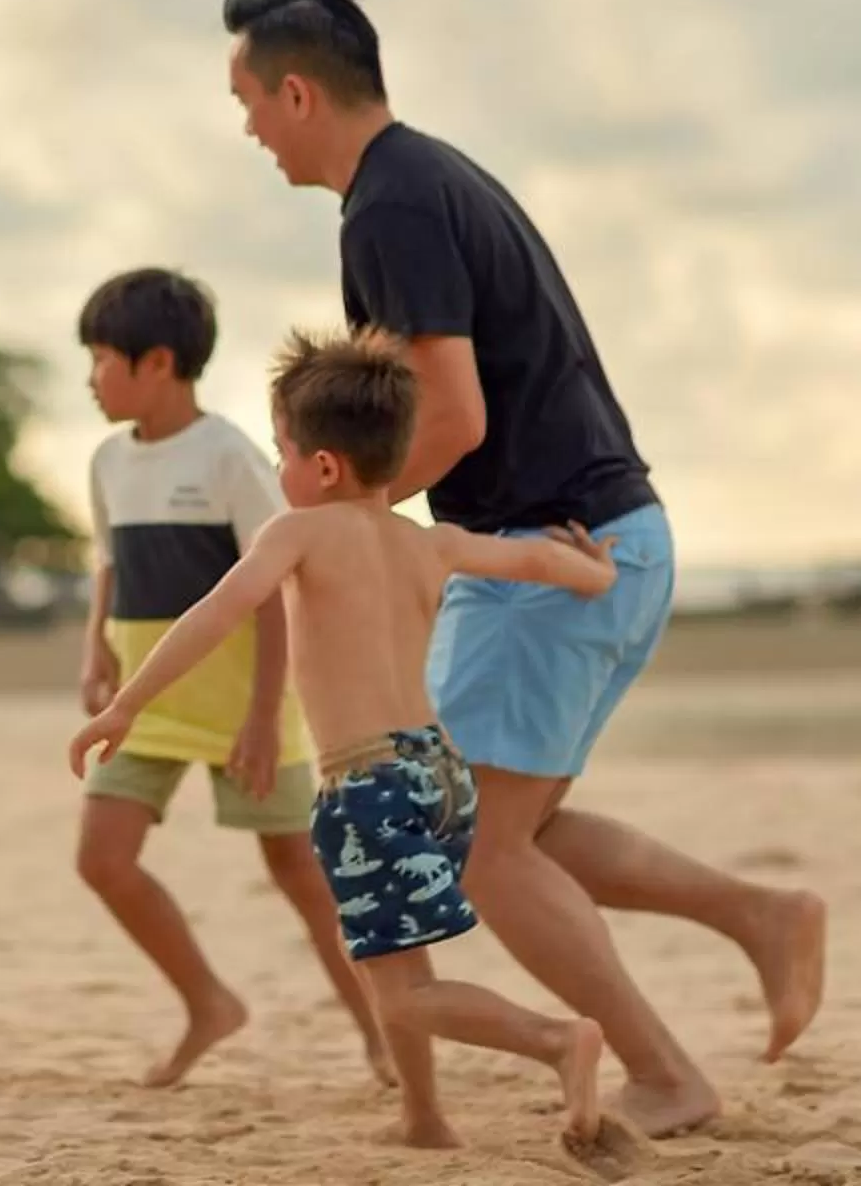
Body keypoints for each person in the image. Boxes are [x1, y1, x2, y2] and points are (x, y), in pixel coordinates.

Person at [216, 0, 828, 1137]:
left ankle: (666, 1071)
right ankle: (762, 915)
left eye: (248, 99)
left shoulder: (389, 206)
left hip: (546, 542)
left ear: (297, 90)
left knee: (484, 850)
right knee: (519, 831)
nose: (246, 125)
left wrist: (361, 532)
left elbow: (454, 412)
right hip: (603, 534)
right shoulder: (426, 176)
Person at [71, 327, 640, 1174]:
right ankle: (422, 1117)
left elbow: (212, 616)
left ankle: (556, 1041)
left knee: (402, 990)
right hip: (440, 774)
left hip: (366, 780)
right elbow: (533, 562)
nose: (279, 473)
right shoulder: (429, 542)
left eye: (282, 455)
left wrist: (124, 705)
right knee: (388, 953)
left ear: (324, 466)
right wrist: (596, 573)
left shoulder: (297, 535)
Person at [70, 268, 389, 1089]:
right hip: (148, 699)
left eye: (103, 358)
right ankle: (209, 1002)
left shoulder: (230, 459)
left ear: (159, 363)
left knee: (299, 875)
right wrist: (96, 651)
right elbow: (109, 564)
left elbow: (271, 592)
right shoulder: (107, 461)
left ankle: (383, 1033)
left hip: (244, 701)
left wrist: (260, 716)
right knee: (102, 861)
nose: (91, 377)